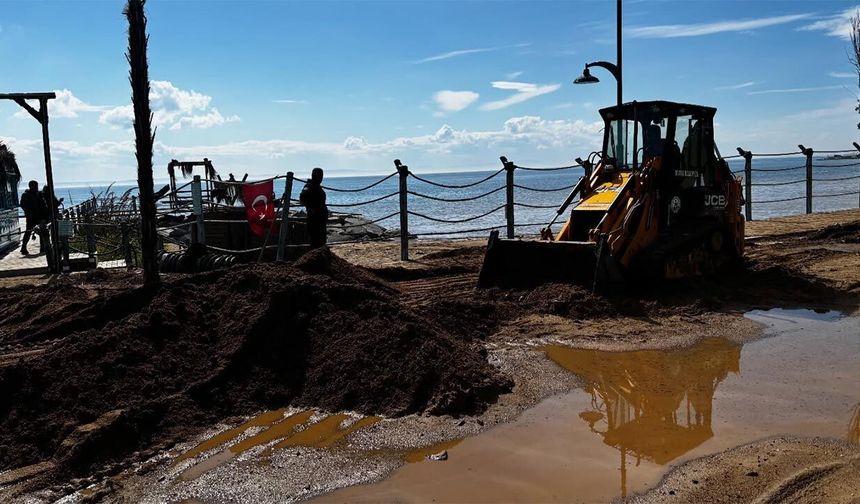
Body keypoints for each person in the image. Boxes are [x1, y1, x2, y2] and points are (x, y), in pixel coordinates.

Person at [299, 167, 328, 248]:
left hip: (320, 218)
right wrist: (311, 208)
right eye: (319, 175)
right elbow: (302, 199)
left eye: (321, 175)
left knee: (321, 241)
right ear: (313, 175)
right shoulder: (310, 186)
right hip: (314, 218)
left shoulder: (317, 186)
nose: (321, 177)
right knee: (315, 241)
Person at [19, 180, 48, 255]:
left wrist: (45, 213)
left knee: (43, 231)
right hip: (31, 217)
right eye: (35, 186)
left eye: (36, 186)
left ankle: (43, 247)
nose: (36, 188)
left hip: (40, 216)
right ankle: (23, 247)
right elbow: (23, 205)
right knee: (28, 232)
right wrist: (29, 213)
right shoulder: (26, 195)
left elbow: (43, 203)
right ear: (30, 187)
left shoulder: (39, 194)